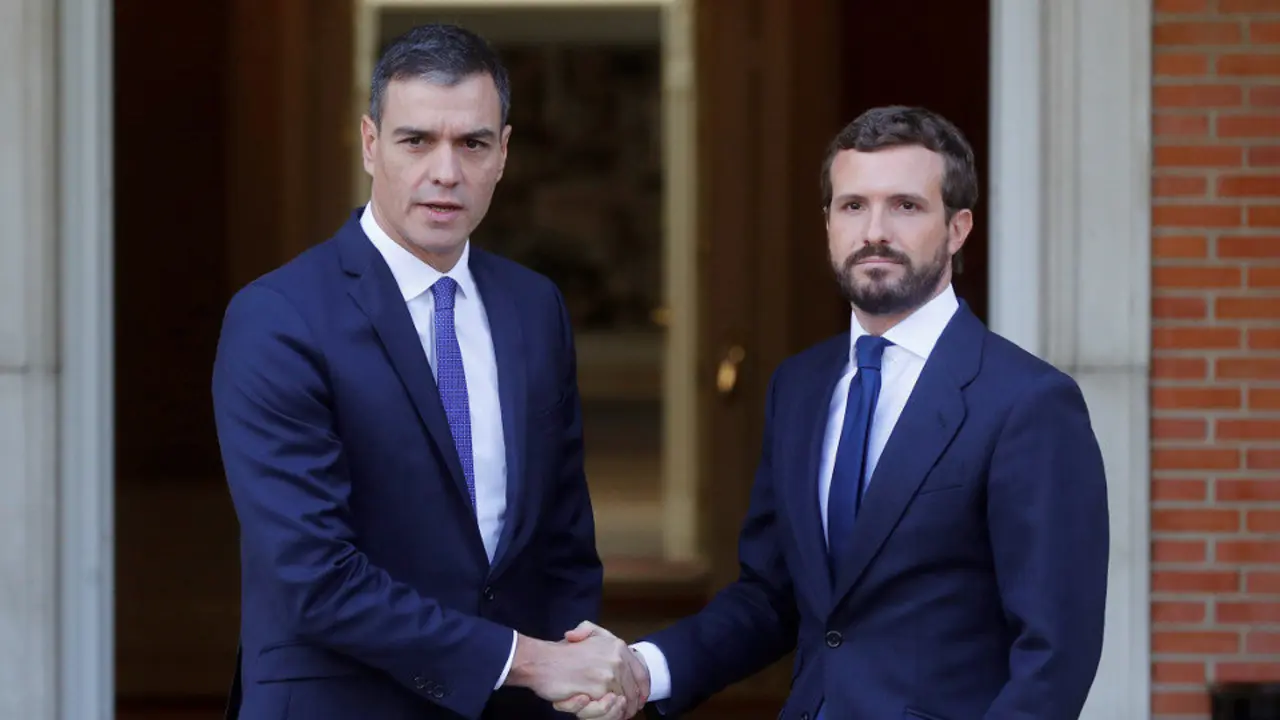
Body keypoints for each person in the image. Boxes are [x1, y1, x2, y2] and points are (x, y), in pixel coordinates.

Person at [558, 105, 1110, 719]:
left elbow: (1055, 655)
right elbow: (772, 599)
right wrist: (643, 668)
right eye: (853, 206)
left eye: (906, 205)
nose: (875, 231)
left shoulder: (1028, 403)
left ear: (958, 229)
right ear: (827, 225)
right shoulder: (800, 387)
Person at [212, 23, 645, 720]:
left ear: (503, 154)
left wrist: (578, 678)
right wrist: (529, 661)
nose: (446, 171)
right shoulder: (278, 318)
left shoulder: (535, 308)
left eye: (472, 143)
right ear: (369, 143)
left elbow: (563, 541)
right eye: (417, 140)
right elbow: (314, 576)